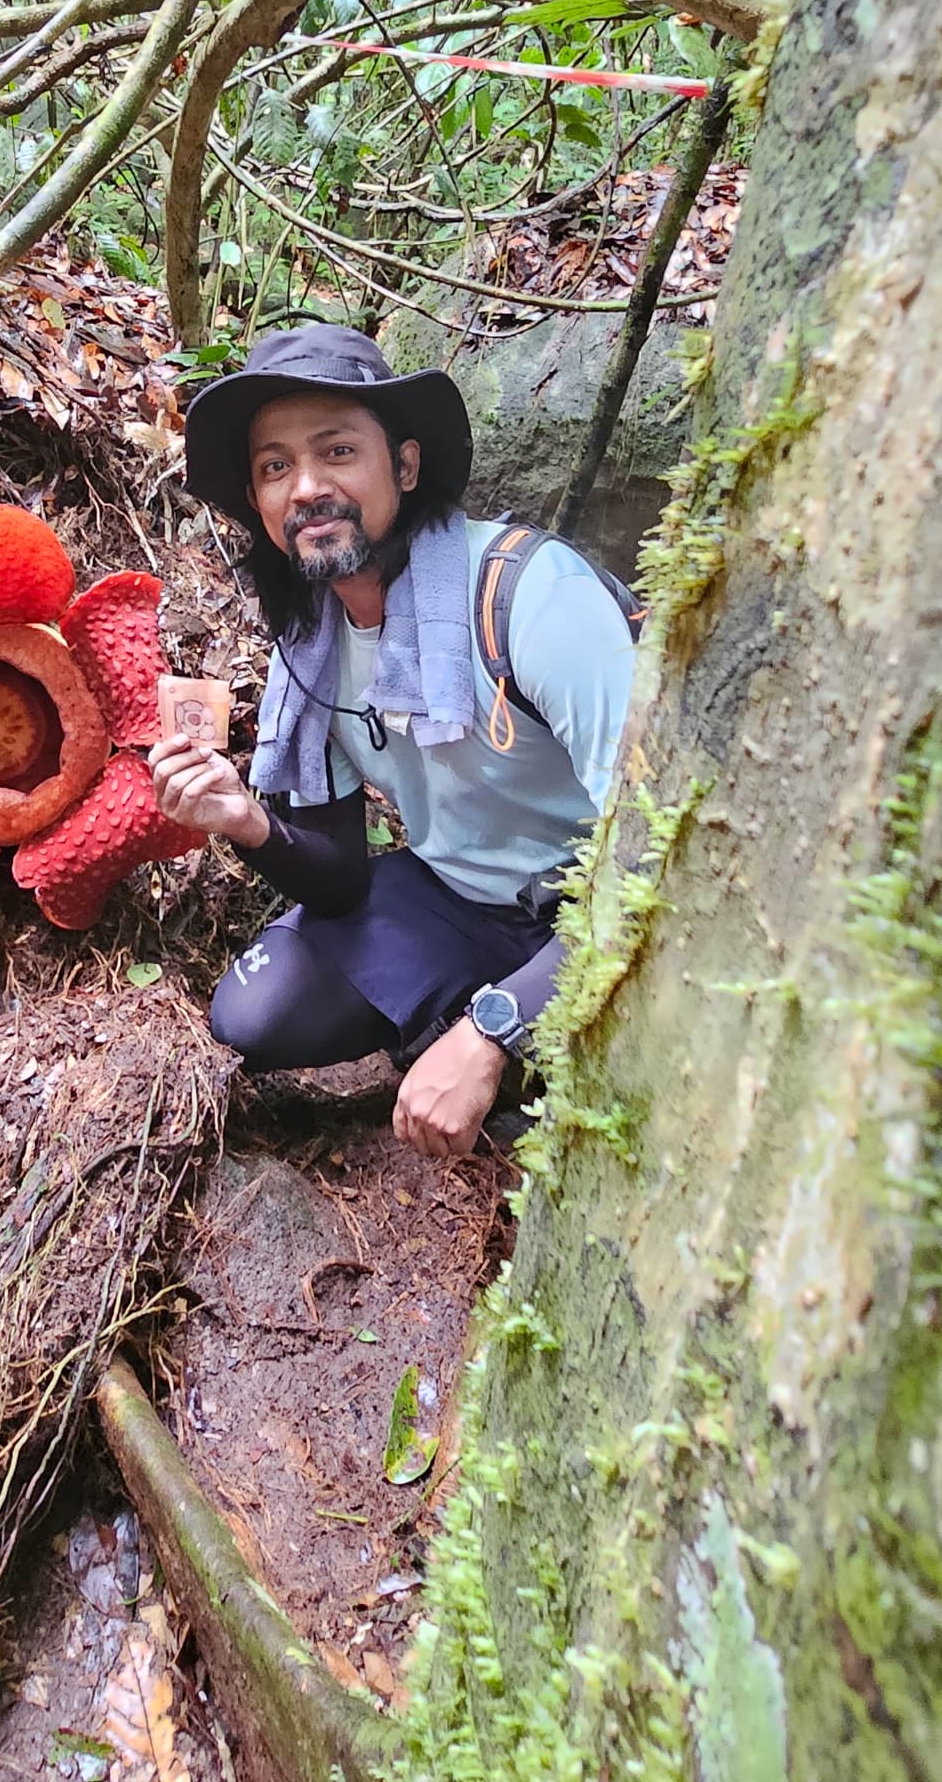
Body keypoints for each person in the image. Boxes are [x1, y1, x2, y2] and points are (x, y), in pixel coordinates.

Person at [148, 325, 636, 1158]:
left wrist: (495, 1028)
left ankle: (497, 1034)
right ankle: (480, 1031)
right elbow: (338, 878)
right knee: (250, 1018)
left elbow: (657, 852)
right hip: (455, 895)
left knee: (552, 1055)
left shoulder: (527, 597)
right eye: (274, 467)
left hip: (590, 906)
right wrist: (245, 822)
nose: (305, 487)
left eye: (337, 451)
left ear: (403, 468)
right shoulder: (310, 648)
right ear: (258, 505)